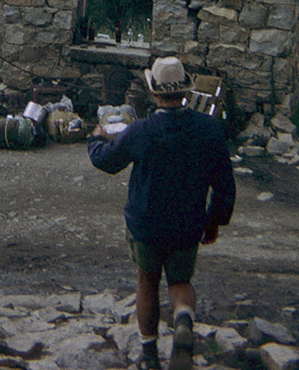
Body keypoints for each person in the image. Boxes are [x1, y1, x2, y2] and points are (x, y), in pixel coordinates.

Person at [88, 56, 236, 370]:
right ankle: (183, 320)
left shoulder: (142, 131)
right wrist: (214, 222)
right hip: (187, 224)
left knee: (147, 283)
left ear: (155, 94)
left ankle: (150, 355)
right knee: (181, 282)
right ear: (186, 93)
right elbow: (224, 185)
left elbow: (107, 161)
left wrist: (96, 138)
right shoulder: (210, 130)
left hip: (147, 224)